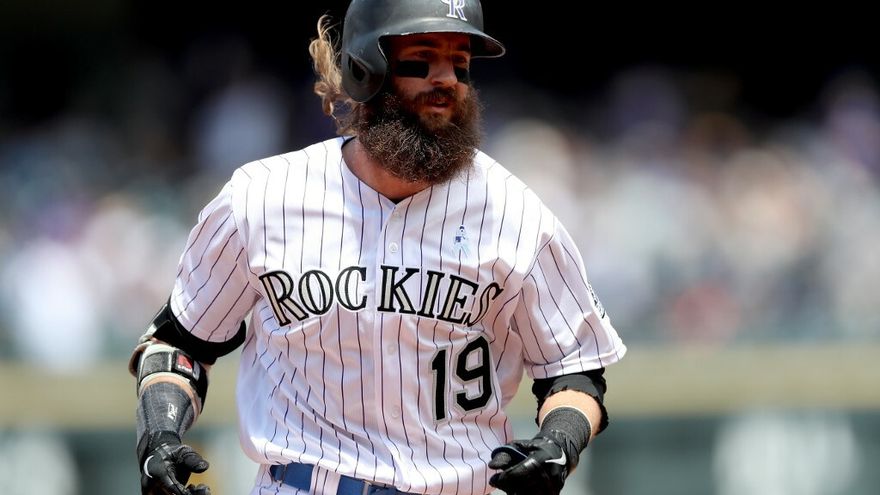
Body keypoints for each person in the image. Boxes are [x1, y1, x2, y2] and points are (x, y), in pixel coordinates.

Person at [129, 1, 627, 494]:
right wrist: (158, 435)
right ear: (365, 69)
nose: (446, 78)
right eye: (422, 59)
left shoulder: (516, 213)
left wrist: (559, 442)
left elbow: (575, 372)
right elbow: (179, 345)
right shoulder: (261, 198)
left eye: (459, 62)